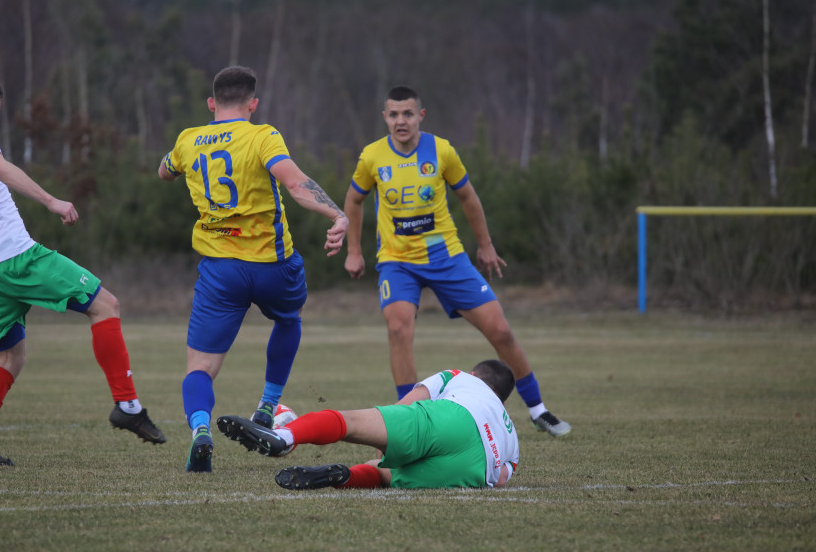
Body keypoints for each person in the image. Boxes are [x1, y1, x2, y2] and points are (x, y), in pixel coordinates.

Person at [0, 70, 165, 466]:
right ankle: (128, 406)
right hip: (12, 255)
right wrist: (52, 201)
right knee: (106, 305)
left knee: (10, 357)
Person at [343, 85, 570, 437]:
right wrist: (354, 251)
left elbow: (468, 197)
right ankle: (409, 419)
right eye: (394, 114)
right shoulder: (372, 157)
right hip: (397, 261)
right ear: (385, 117)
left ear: (421, 116)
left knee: (500, 330)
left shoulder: (442, 151)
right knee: (398, 329)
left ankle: (538, 410)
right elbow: (354, 200)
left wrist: (486, 246)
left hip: (446, 257)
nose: (401, 121)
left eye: (408, 114)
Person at [158, 65, 348, 473]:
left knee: (200, 368)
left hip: (220, 271)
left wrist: (179, 158)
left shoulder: (188, 139)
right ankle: (267, 405)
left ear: (211, 103)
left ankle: (200, 430)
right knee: (289, 319)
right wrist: (337, 215)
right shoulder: (263, 136)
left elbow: (164, 171)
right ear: (253, 104)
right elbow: (295, 184)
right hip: (272, 265)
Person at [217, 359, 519, 490]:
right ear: (502, 402)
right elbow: (502, 479)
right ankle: (344, 476)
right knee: (386, 474)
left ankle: (283, 437)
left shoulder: (459, 377)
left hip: (456, 416)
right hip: (478, 466)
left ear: (475, 376)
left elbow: (407, 404)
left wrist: (385, 442)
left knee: (351, 422)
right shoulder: (512, 435)